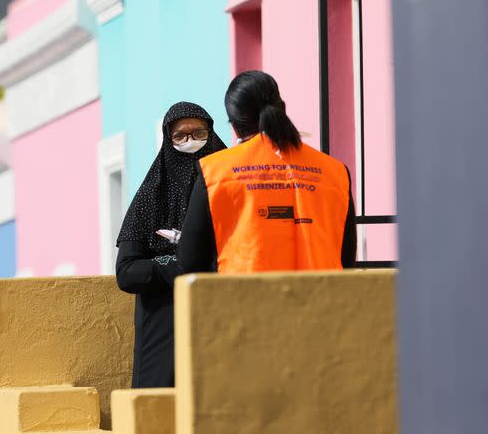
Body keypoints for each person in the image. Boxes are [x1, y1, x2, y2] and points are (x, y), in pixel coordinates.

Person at [178, 70, 356, 274]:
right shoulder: (335, 171)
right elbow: (347, 258)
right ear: (282, 109)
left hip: (244, 301)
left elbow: (190, 260)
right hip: (323, 300)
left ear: (235, 123)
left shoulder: (215, 171)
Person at [115, 102, 226, 388]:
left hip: (221, 316)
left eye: (198, 132)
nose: (190, 141)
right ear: (168, 140)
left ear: (211, 134)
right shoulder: (152, 195)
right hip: (164, 323)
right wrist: (177, 265)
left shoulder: (230, 185)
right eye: (180, 136)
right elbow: (127, 271)